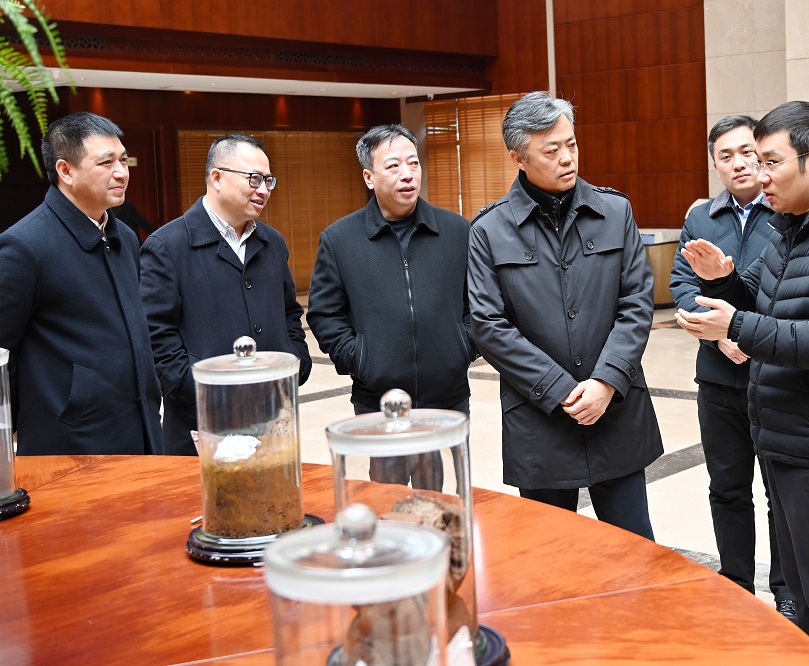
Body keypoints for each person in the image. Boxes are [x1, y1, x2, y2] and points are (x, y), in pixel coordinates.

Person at [675, 101, 809, 665]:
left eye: (770, 161)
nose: (759, 174)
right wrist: (725, 283)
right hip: (782, 432)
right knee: (802, 592)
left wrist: (735, 325)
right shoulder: (788, 230)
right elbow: (763, 305)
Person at [467, 92, 663, 539]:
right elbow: (489, 326)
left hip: (615, 408)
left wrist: (605, 381)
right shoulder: (489, 230)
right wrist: (561, 391)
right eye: (551, 150)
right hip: (541, 418)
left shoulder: (615, 211)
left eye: (571, 144)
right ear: (518, 158)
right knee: (550, 555)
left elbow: (636, 302)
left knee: (634, 550)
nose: (567, 158)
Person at [669, 115, 795, 620]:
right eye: (727, 156)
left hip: (776, 377)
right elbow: (681, 285)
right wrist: (719, 334)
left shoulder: (786, 211)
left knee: (780, 491)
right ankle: (737, 582)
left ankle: (786, 589)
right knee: (727, 486)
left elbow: (791, 292)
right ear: (715, 165)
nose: (739, 163)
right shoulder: (701, 218)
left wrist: (746, 331)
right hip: (719, 378)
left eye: (747, 152)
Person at [307, 124, 475, 488]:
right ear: (369, 177)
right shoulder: (340, 239)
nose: (407, 174)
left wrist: (462, 346)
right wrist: (362, 359)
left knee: (442, 498)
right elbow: (324, 314)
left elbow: (478, 302)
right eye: (394, 166)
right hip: (378, 400)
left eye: (413, 163)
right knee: (387, 497)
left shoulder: (457, 231)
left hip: (446, 397)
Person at [0, 112, 163, 455]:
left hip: (141, 425)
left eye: (123, 160)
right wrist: (40, 416)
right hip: (71, 440)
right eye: (106, 162)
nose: (121, 172)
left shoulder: (125, 237)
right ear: (65, 171)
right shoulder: (24, 246)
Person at [140, 134, 312, 455]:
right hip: (201, 422)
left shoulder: (272, 242)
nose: (264, 190)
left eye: (268, 181)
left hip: (272, 417)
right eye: (254, 179)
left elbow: (290, 313)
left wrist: (295, 360)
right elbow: (156, 337)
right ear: (217, 178)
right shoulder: (167, 246)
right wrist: (198, 388)